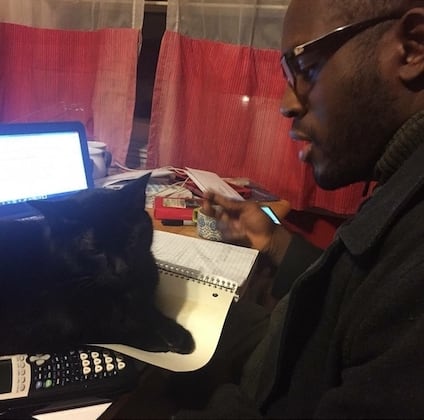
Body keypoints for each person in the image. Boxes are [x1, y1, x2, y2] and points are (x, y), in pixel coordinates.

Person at [174, 0, 424, 418]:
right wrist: (272, 238)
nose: (286, 104)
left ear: (413, 47)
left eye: (304, 69)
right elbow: (355, 295)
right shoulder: (402, 179)